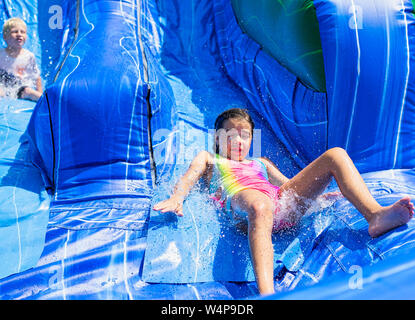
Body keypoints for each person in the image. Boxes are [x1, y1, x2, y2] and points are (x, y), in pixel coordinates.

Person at [153, 108, 414, 296]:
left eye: (244, 134)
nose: (238, 140)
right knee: (260, 204)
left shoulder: (261, 163)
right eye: (229, 134)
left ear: (252, 139)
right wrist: (177, 197)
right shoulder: (211, 159)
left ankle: (374, 215)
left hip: (277, 205)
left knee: (336, 154)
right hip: (245, 205)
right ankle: (268, 293)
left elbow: (288, 187)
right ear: (217, 138)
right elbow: (188, 178)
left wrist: (319, 198)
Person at [0, 17, 42, 101]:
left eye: (22, 32)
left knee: (28, 91)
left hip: (20, 87)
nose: (19, 34)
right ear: (5, 36)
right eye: (15, 32)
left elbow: (36, 77)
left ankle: (44, 101)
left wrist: (40, 92)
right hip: (3, 85)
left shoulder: (28, 56)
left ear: (26, 36)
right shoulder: (1, 54)